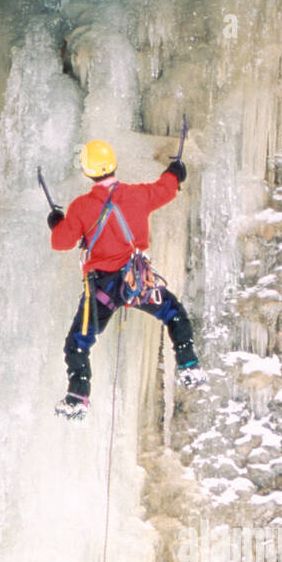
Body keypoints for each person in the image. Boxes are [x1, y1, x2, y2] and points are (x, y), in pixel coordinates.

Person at [47, 138, 203, 417]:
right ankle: (189, 366)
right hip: (136, 282)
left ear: (88, 172)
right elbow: (165, 191)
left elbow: (61, 242)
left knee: (77, 343)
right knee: (173, 312)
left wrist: (57, 222)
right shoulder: (137, 195)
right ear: (113, 165)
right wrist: (175, 172)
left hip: (102, 289)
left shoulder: (81, 207)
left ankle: (77, 398)